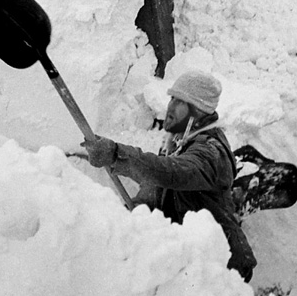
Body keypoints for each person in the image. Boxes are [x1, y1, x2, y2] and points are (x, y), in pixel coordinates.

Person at [82, 70, 257, 282]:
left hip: (222, 268)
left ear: (198, 111)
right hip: (190, 261)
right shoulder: (178, 141)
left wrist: (117, 154)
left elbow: (170, 172)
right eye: (172, 98)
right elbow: (157, 184)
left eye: (180, 102)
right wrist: (137, 214)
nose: (170, 107)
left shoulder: (210, 152)